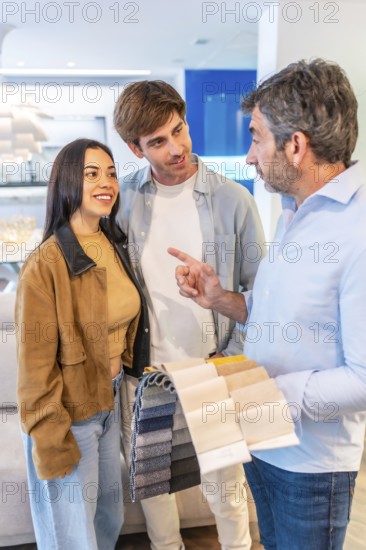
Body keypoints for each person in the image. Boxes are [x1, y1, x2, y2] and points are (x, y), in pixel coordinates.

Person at [169, 58, 366, 550]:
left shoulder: (358, 230)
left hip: (311, 465)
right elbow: (283, 314)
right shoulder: (294, 211)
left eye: (256, 137)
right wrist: (223, 299)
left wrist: (269, 390)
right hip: (264, 442)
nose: (250, 156)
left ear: (295, 145)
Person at [113, 80, 265, 550]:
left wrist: (232, 352)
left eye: (179, 130)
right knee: (155, 489)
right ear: (134, 148)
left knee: (226, 491)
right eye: (158, 142)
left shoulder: (234, 200)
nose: (176, 148)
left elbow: (262, 290)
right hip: (148, 373)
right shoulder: (121, 203)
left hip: (211, 368)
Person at [16, 138, 149, 550]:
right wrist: (51, 441)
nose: (106, 182)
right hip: (69, 415)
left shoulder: (112, 243)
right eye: (92, 173)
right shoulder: (46, 264)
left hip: (108, 404)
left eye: (111, 173)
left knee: (107, 520)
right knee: (74, 537)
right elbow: (34, 369)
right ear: (69, 181)